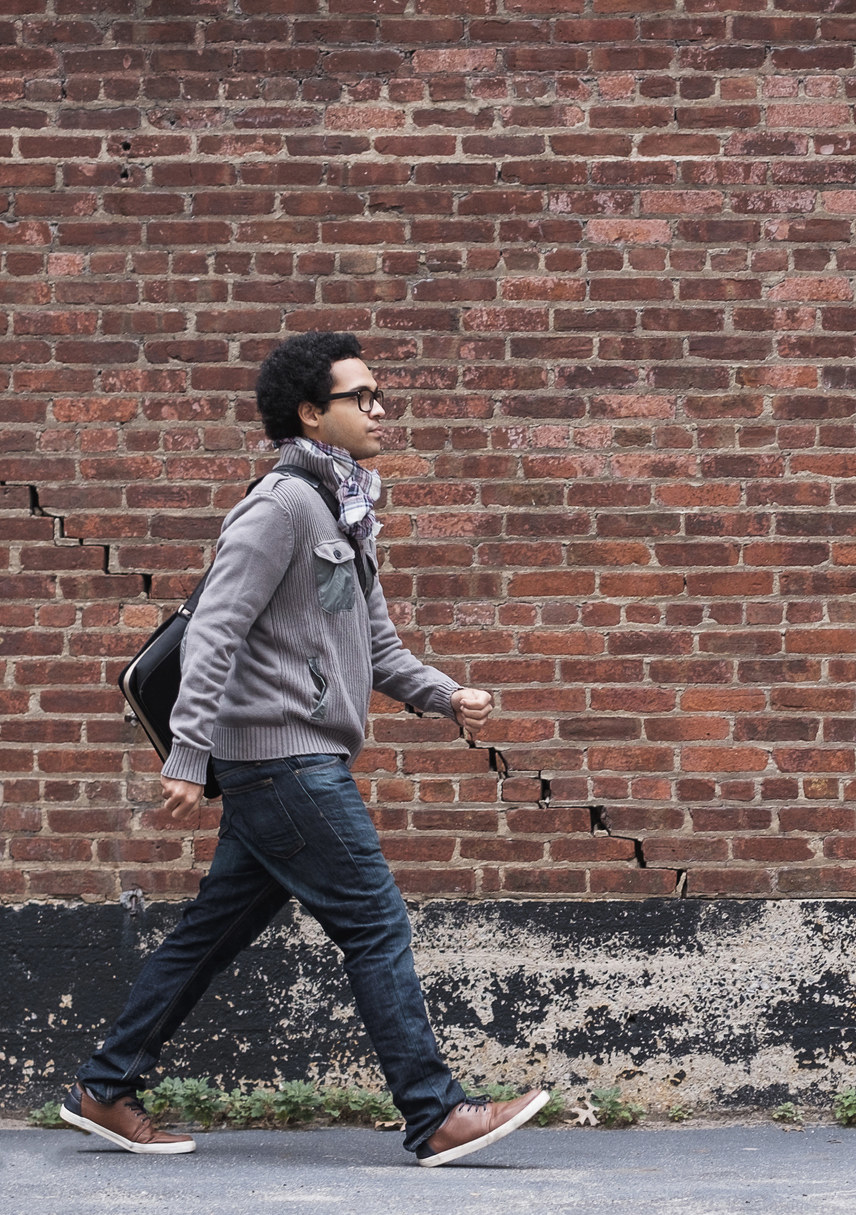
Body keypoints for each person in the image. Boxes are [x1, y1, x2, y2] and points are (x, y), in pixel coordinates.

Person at [58, 331, 546, 1167]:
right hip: (285, 760)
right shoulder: (280, 505)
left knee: (207, 937)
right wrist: (186, 753)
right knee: (375, 920)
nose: (380, 409)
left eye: (378, 394)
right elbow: (213, 630)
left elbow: (377, 647)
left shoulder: (345, 510)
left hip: (287, 761)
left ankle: (107, 1086)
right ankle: (433, 1111)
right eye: (362, 397)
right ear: (311, 413)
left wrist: (445, 692)